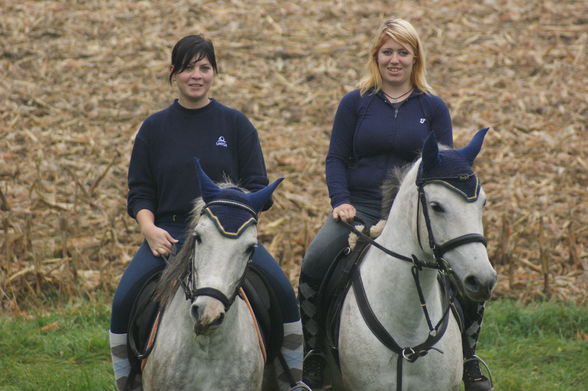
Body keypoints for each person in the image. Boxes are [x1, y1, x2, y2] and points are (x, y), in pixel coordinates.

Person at [298, 17, 493, 391]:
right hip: (360, 209)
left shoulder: (433, 107)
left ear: (415, 58)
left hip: (415, 215)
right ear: (376, 56)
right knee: (315, 262)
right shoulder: (355, 103)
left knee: (463, 269)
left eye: (403, 52)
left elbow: (444, 168)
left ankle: (468, 361)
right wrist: (340, 200)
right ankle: (314, 361)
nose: (394, 60)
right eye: (387, 51)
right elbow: (336, 157)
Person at [109, 34, 307, 391]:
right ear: (173, 73)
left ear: (215, 72)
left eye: (204, 67)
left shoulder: (236, 125)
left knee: (281, 292)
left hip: (227, 236)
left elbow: (257, 185)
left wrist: (232, 225)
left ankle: (292, 379)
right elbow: (139, 192)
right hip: (169, 235)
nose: (196, 75)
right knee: (124, 298)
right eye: (187, 68)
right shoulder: (154, 129)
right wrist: (149, 230)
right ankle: (128, 381)